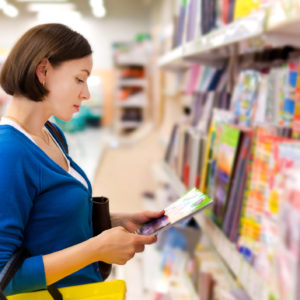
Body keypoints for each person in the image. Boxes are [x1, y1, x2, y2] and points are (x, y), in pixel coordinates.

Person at [0, 23, 163, 296]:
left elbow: (47, 223)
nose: (86, 93)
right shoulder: (9, 152)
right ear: (43, 71)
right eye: (79, 79)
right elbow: (4, 275)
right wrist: (97, 249)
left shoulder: (51, 134)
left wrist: (116, 221)